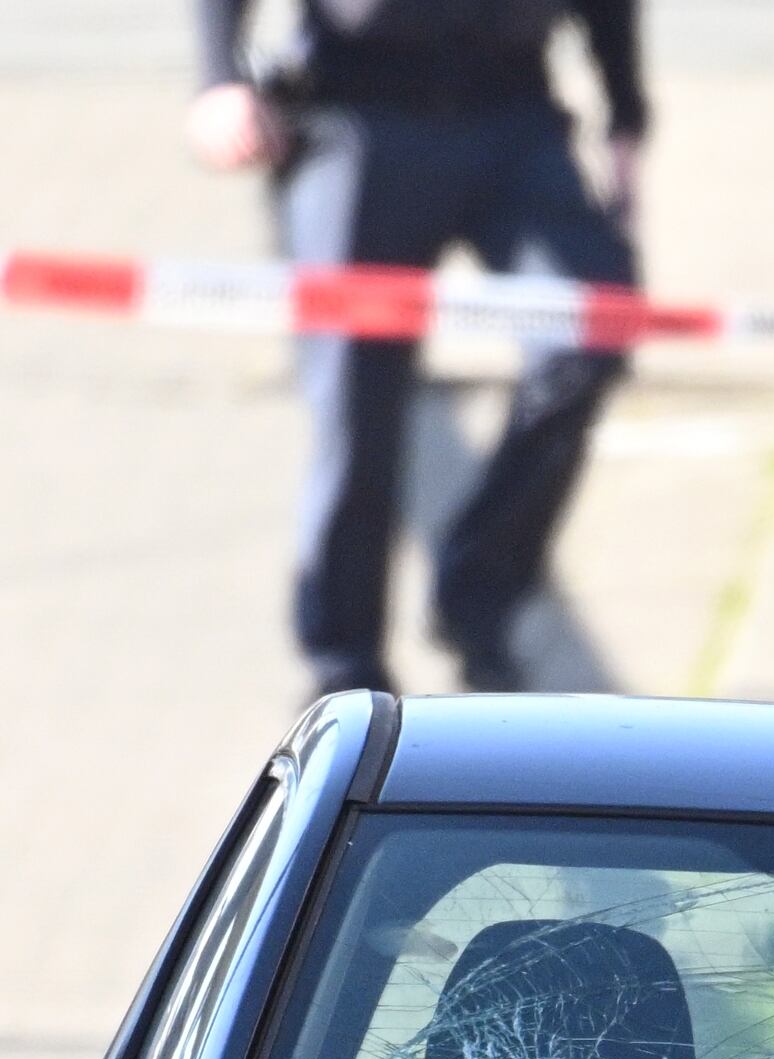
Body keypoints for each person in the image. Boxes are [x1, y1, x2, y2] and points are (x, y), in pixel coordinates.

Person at [187, 0, 646, 693]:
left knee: (591, 333)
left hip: (514, 114)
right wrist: (220, 79)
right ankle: (344, 667)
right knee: (355, 403)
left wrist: (626, 116)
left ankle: (478, 595)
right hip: (359, 117)